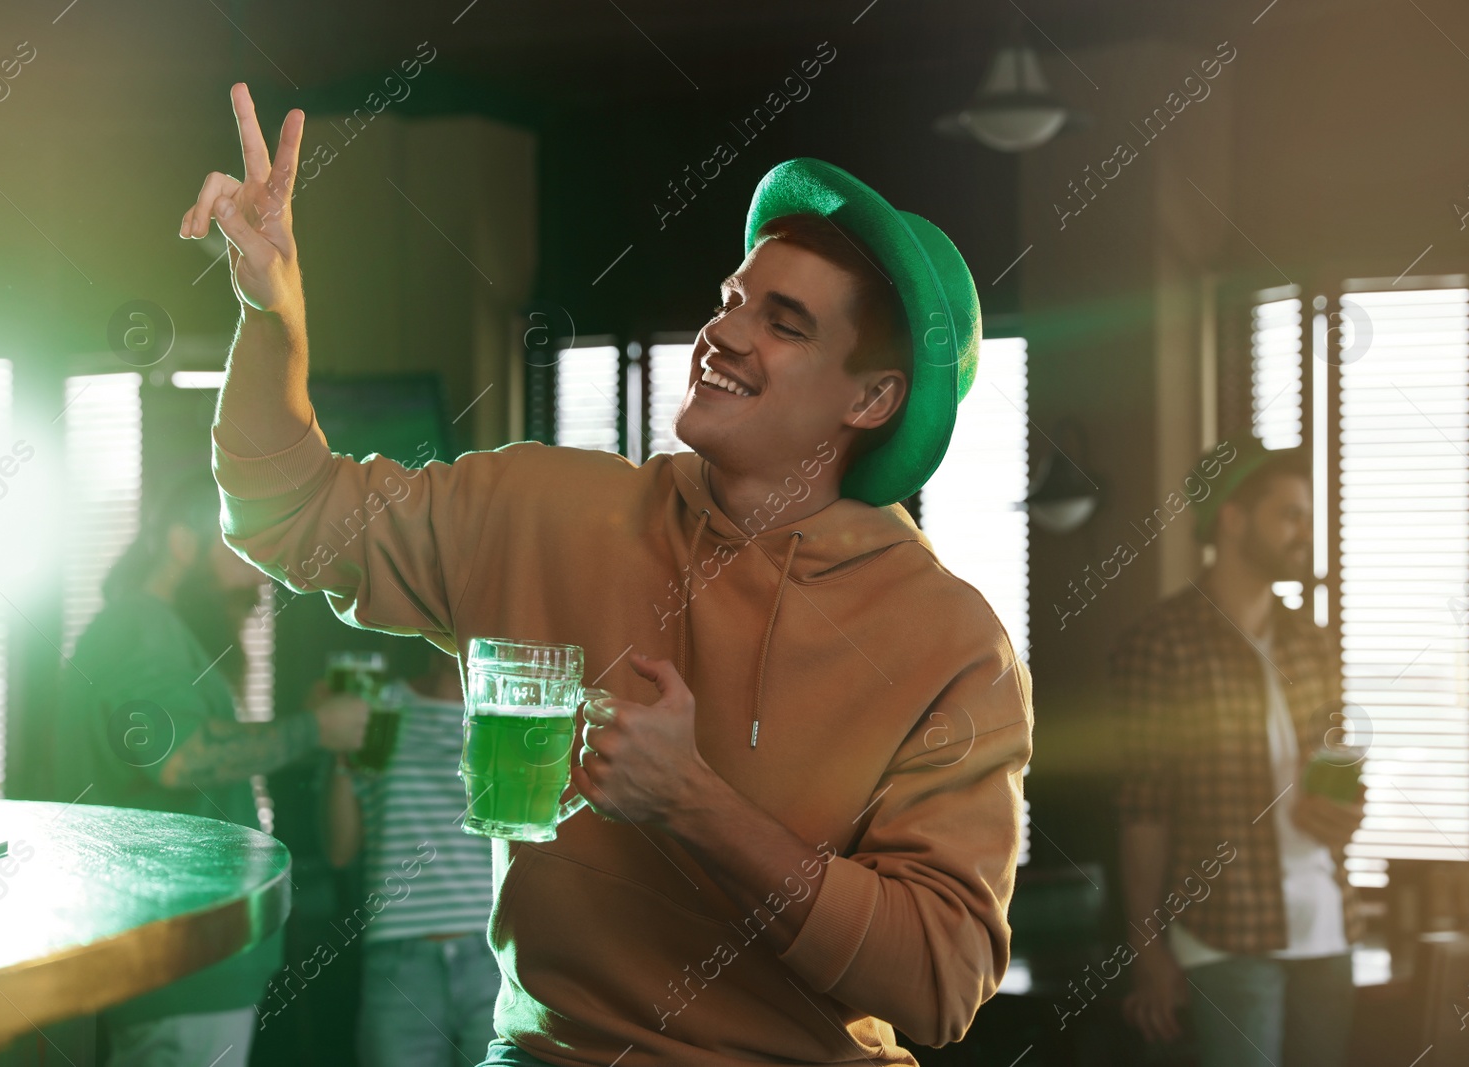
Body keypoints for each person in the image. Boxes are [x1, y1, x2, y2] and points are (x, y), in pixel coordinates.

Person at [182, 83, 1033, 1066]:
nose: (724, 333)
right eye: (730, 300)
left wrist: (695, 804)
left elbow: (938, 979)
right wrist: (271, 311)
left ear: (873, 396)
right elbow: (289, 511)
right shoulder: (544, 507)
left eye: (785, 322)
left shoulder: (950, 643)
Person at [54, 471, 370, 1067]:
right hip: (180, 972)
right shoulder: (140, 627)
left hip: (189, 971)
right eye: (242, 548)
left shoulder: (152, 631)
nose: (260, 572)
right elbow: (181, 757)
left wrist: (307, 730)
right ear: (180, 543)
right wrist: (316, 730)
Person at [1111, 435, 1366, 1067]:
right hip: (1224, 935)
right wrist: (1147, 951)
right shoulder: (1163, 643)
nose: (1304, 532)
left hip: (1328, 930)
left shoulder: (1313, 642)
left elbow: (1335, 777)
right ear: (1232, 519)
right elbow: (1143, 810)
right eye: (1289, 515)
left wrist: (1345, 808)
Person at [322, 649, 502, 1066]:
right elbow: (338, 849)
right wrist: (336, 749)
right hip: (398, 960)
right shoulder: (380, 706)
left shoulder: (508, 714)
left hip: (494, 955)